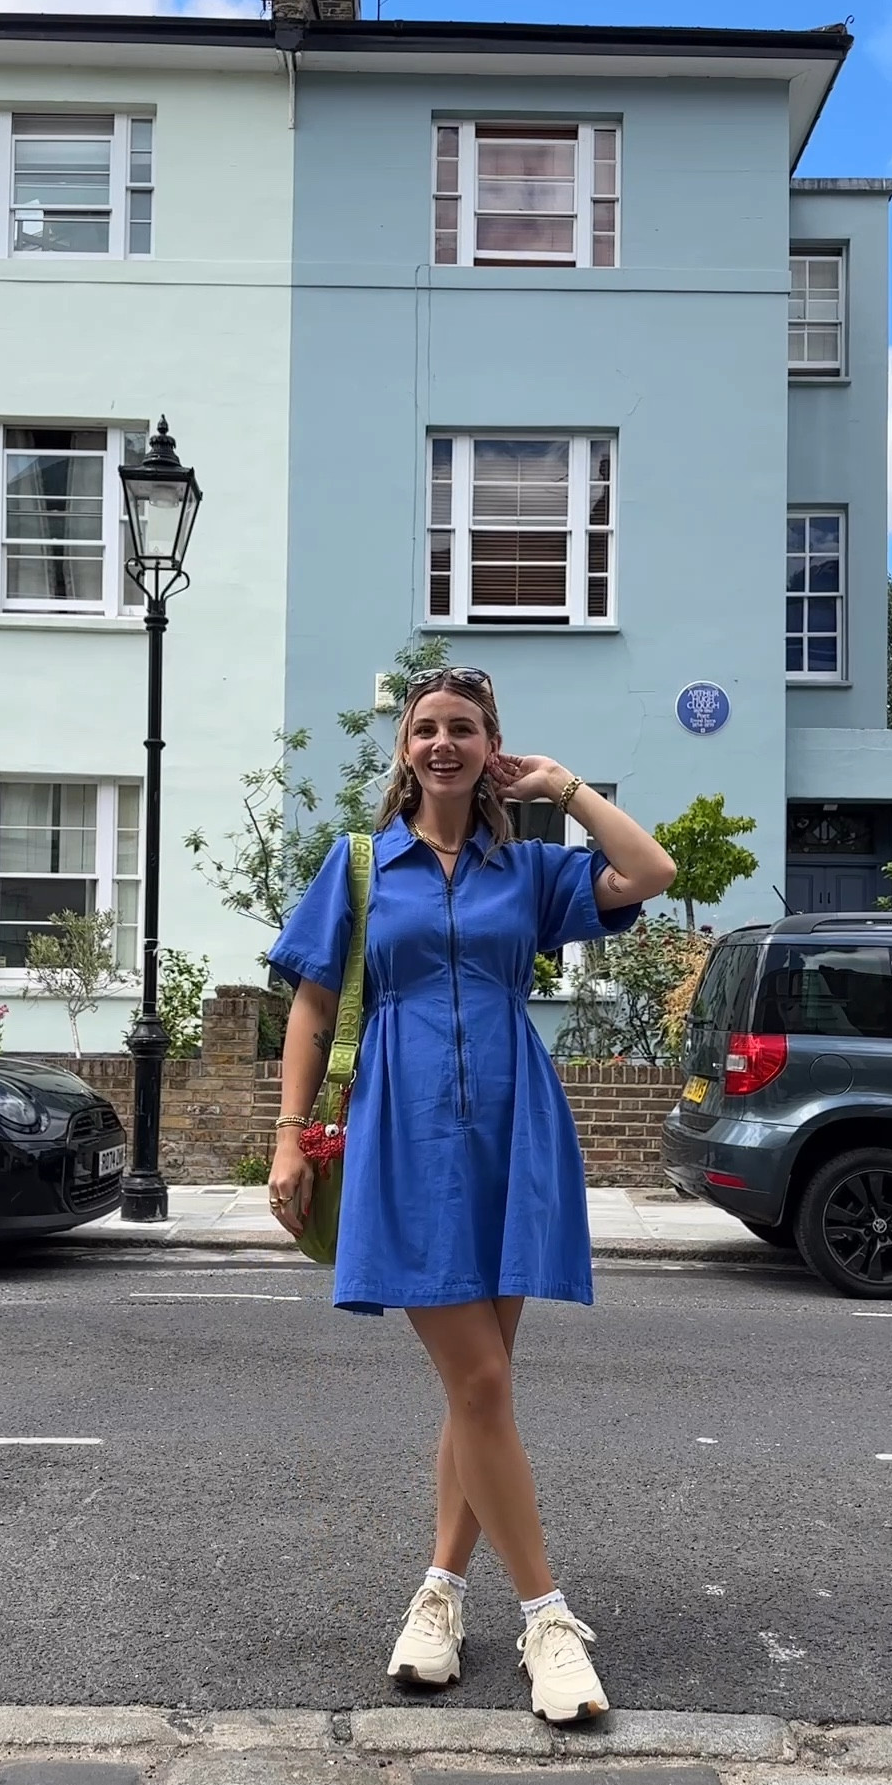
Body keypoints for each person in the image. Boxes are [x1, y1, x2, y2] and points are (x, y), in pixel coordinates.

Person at [265, 667, 676, 1723]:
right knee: (482, 1384)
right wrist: (287, 1139)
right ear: (405, 748)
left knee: (478, 1386)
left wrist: (564, 787)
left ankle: (439, 1598)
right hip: (404, 1132)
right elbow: (313, 1005)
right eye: (427, 728)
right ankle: (547, 1619)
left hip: (514, 1130)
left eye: (465, 728)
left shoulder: (530, 869)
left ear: (491, 745)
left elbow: (652, 868)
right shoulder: (361, 866)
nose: (443, 743)